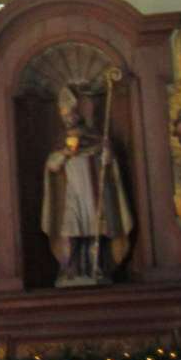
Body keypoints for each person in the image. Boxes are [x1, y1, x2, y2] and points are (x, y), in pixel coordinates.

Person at [40, 85, 132, 286]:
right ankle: (71, 268)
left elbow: (108, 164)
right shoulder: (61, 143)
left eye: (71, 115)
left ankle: (96, 266)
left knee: (94, 229)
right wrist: (65, 153)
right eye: (65, 116)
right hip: (71, 193)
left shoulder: (96, 139)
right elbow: (52, 166)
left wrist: (107, 155)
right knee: (71, 231)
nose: (69, 119)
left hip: (93, 192)